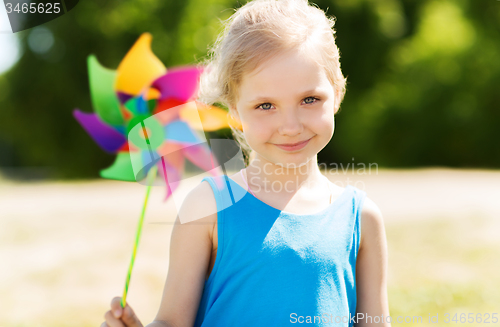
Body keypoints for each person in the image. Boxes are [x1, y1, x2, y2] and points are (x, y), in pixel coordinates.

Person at [101, 0, 391, 326]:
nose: (291, 125)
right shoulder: (209, 207)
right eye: (266, 105)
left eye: (310, 99)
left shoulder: (362, 218)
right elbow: (171, 322)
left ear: (337, 92)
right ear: (234, 111)